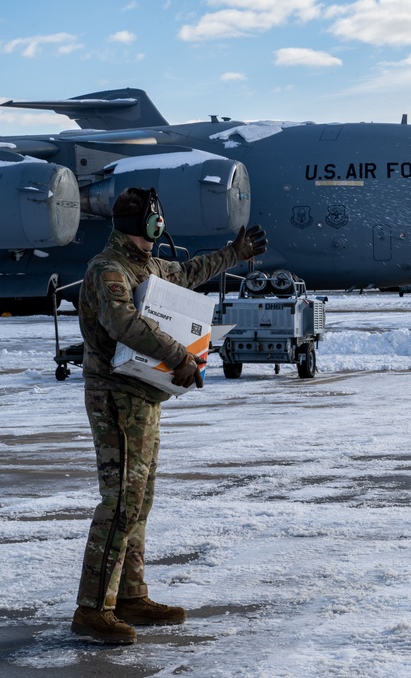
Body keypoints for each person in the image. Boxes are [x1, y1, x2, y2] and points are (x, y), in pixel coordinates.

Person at [71, 187, 267, 644]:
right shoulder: (108, 269)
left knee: (138, 501)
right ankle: (92, 608)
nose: (160, 225)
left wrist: (233, 254)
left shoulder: (148, 266)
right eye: (154, 218)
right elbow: (124, 323)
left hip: (144, 395)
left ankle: (130, 597)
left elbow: (189, 273)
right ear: (139, 223)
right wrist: (180, 354)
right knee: (119, 502)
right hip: (116, 397)